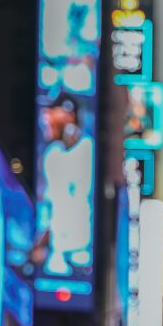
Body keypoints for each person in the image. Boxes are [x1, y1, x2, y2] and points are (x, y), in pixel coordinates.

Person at [33, 94, 94, 276]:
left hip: (83, 252)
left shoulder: (88, 150)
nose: (46, 118)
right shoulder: (52, 155)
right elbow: (51, 205)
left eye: (53, 112)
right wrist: (40, 244)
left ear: (69, 116)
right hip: (58, 254)